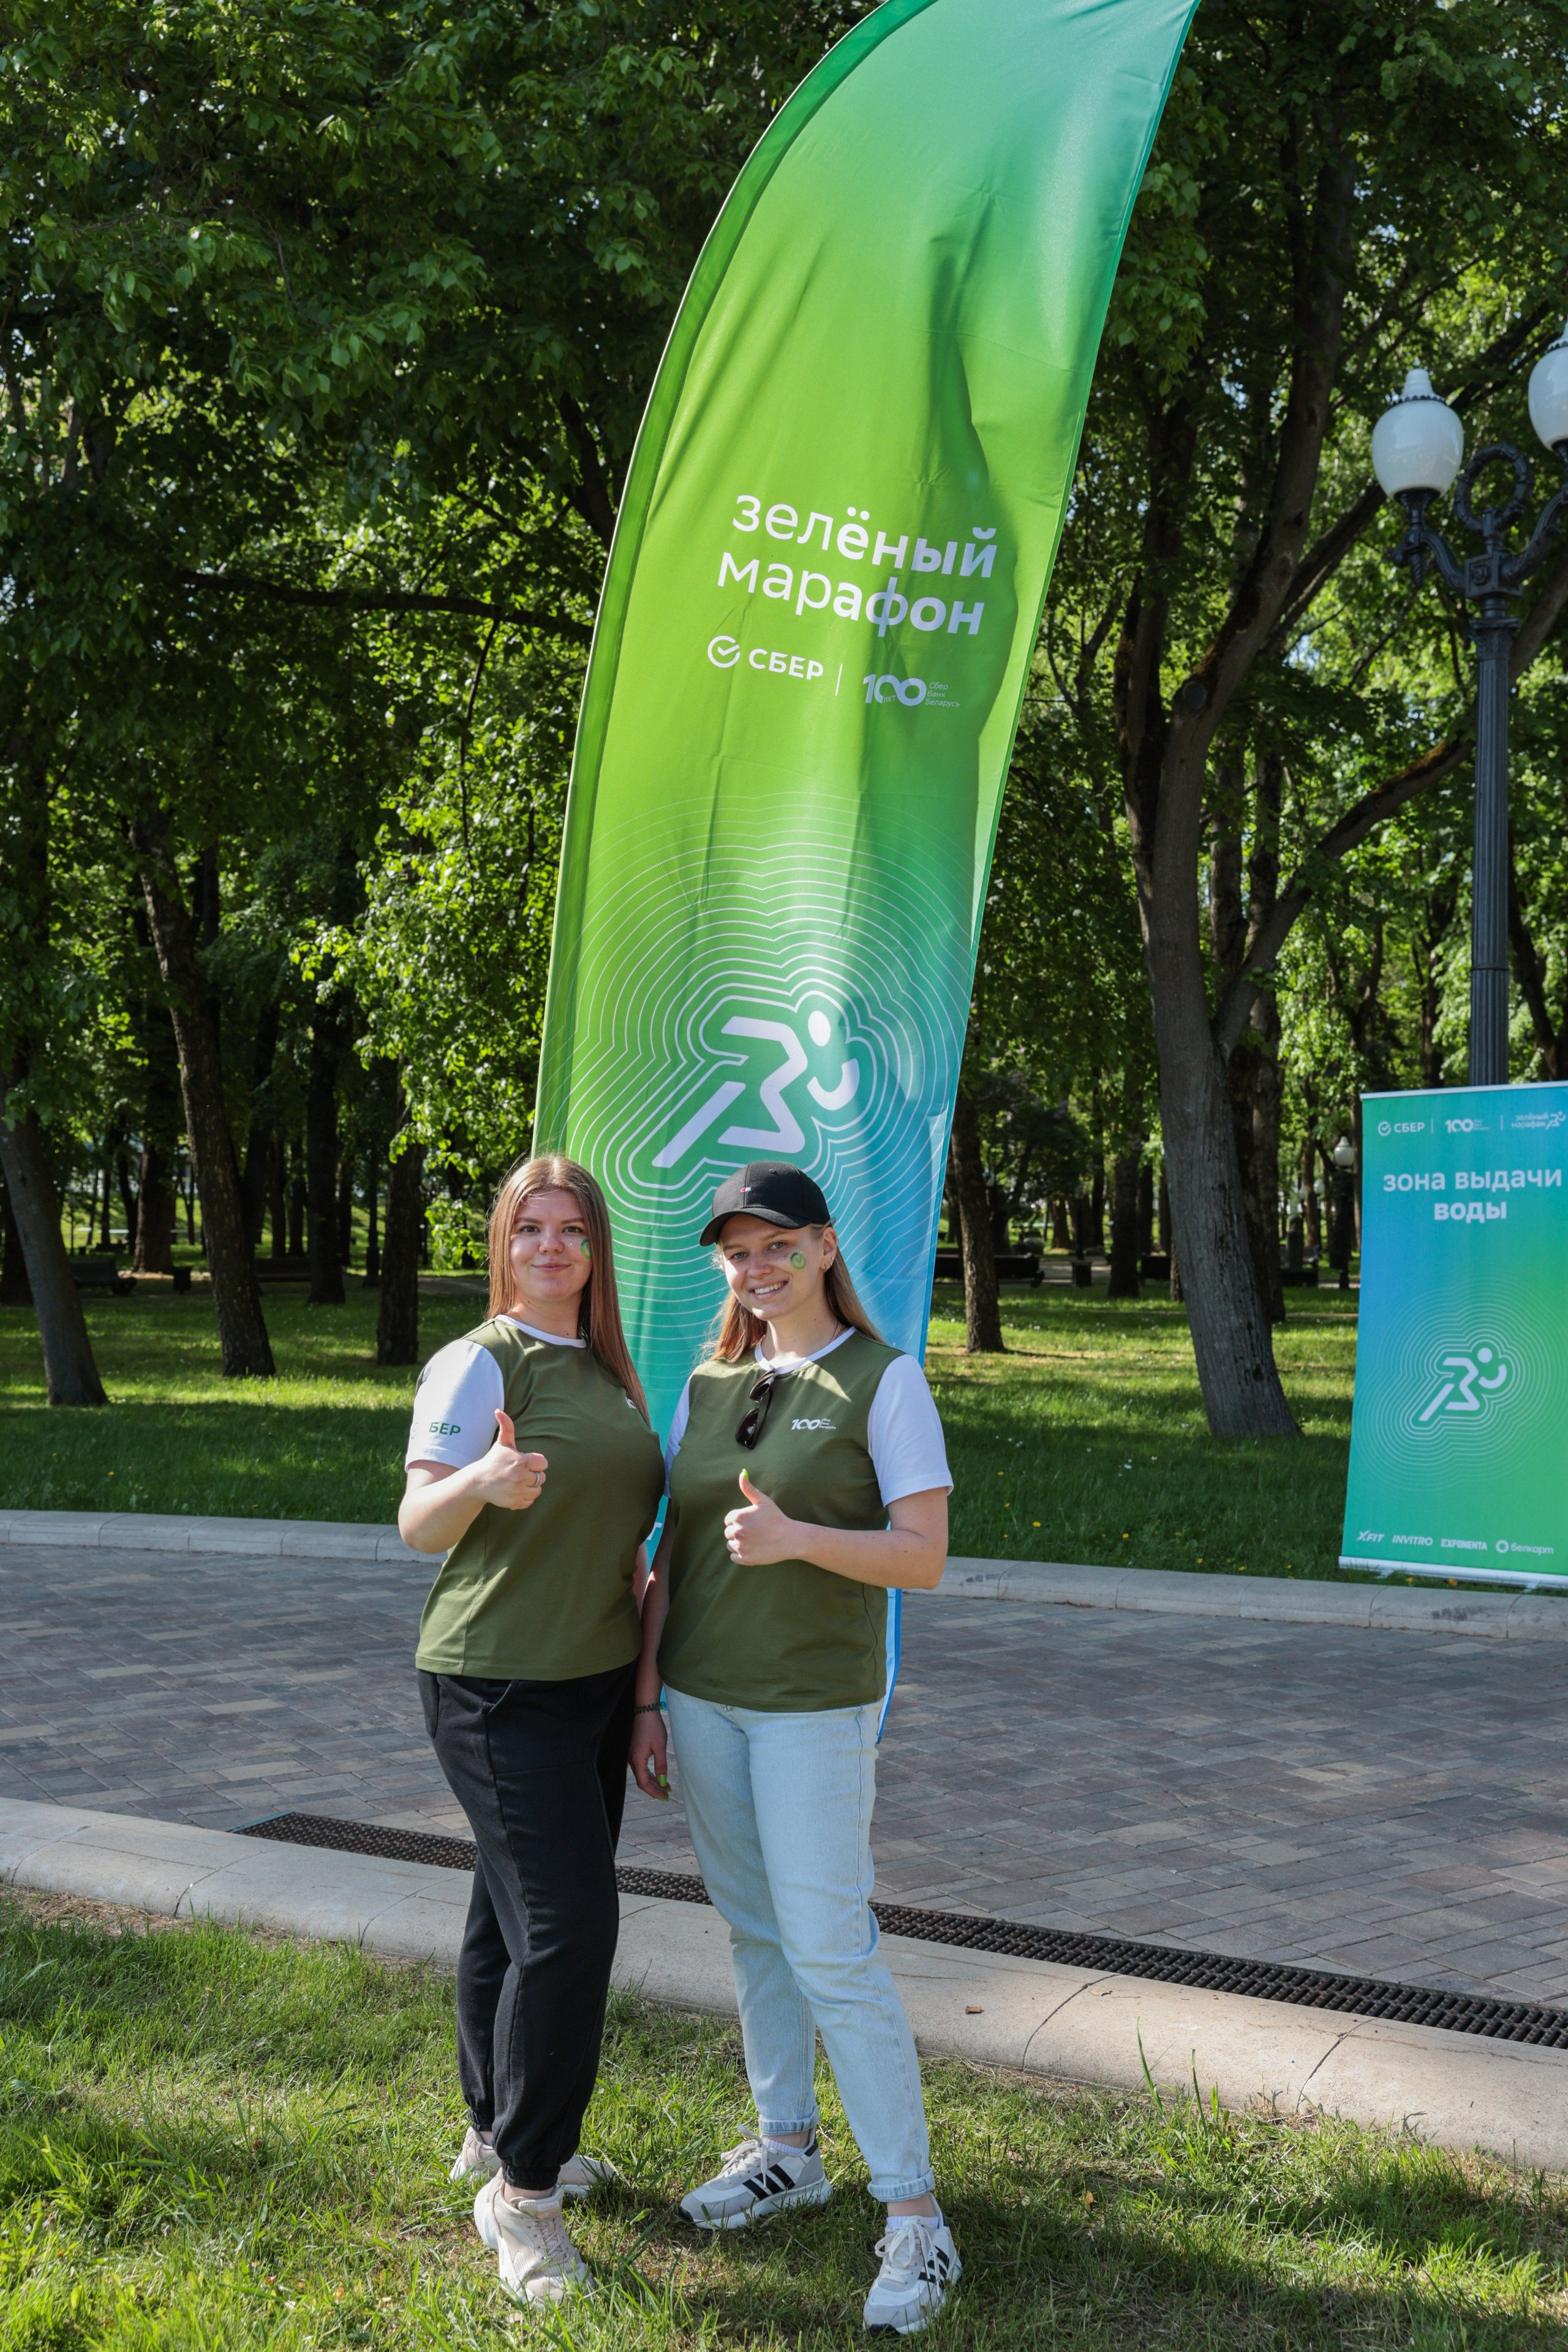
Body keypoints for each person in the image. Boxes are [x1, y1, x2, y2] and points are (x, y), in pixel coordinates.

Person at [629, 1160, 961, 2335]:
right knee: (757, 1927)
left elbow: (919, 1557)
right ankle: (786, 2149)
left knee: (830, 1942)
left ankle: (916, 2220)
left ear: (824, 1249)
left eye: (779, 1246)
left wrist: (799, 1538)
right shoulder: (711, 1379)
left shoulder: (884, 1379)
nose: (757, 1267)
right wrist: (649, 1692)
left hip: (815, 1705)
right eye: (738, 1251)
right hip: (704, 1699)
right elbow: (674, 1548)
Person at [400, 1153, 665, 2307]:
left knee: (505, 1918)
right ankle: (525, 2196)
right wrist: (483, 1485)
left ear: (597, 1249)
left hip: (595, 1680)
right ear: (501, 1245)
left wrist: (646, 1686)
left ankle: (490, 2132)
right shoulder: (477, 1361)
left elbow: (630, 1534)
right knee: (570, 1923)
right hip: (496, 1682)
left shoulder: (610, 1372)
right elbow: (417, 1518)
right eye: (528, 1229)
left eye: (571, 1230)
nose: (550, 1248)